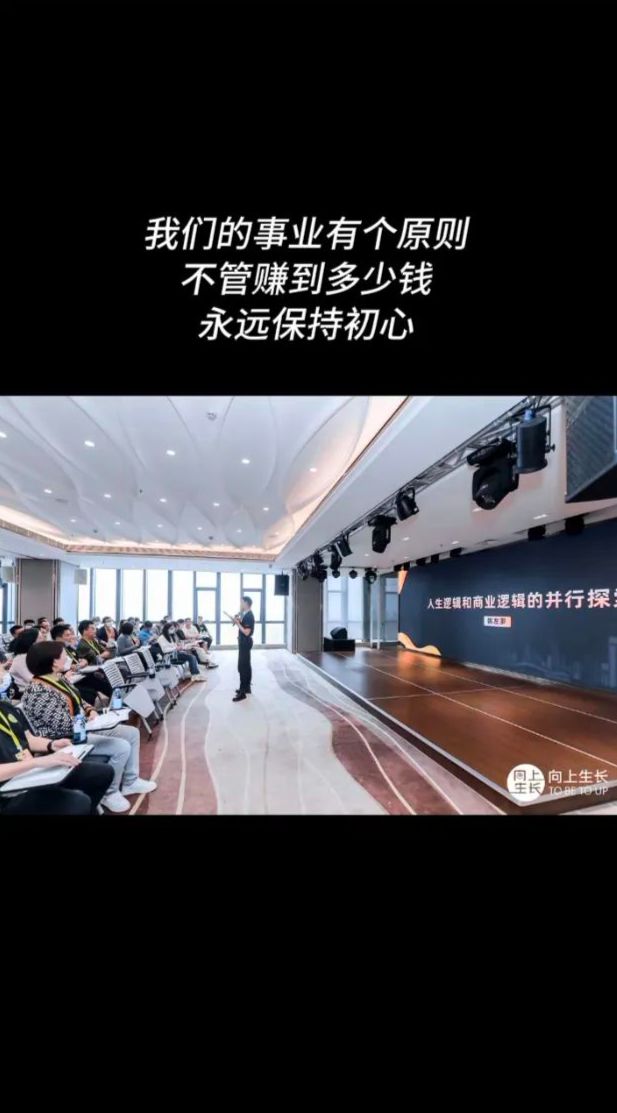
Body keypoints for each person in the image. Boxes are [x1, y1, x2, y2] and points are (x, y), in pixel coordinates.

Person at [20, 641, 157, 814]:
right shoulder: (37, 691)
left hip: (83, 728)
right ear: (54, 662)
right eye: (64, 655)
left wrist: (90, 710)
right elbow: (61, 726)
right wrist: (92, 722)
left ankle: (130, 781)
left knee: (131, 733)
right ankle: (110, 792)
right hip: (64, 740)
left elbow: (79, 700)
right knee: (121, 746)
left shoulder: (58, 678)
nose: (68, 658)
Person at [0, 661, 113, 815]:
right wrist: (36, 762)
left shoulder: (6, 708)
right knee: (77, 803)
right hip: (6, 791)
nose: (4, 675)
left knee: (101, 774)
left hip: (28, 773)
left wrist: (52, 744)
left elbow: (28, 738)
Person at [51, 624, 112, 703]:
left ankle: (116, 701)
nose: (71, 637)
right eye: (67, 635)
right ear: (58, 637)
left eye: (70, 634)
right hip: (68, 680)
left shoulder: (69, 647)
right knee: (89, 693)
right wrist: (73, 666)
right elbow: (60, 669)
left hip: (79, 676)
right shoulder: (53, 651)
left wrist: (81, 663)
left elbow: (82, 660)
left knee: (101, 680)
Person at [6, 627, 44, 693]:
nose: (44, 639)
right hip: (27, 692)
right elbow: (33, 680)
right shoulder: (21, 659)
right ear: (32, 641)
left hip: (39, 690)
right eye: (40, 638)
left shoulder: (35, 655)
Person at [232, 596, 254, 702]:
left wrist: (237, 624)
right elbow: (244, 627)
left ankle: (242, 692)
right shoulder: (246, 614)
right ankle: (246, 688)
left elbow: (246, 632)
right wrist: (239, 621)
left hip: (245, 642)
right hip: (244, 642)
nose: (240, 604)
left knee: (242, 666)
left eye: (241, 602)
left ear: (246, 603)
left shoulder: (249, 615)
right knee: (246, 665)